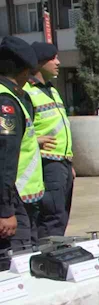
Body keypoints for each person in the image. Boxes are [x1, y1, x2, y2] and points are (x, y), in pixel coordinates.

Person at [24, 42, 74, 238]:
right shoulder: (28, 92)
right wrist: (35, 139)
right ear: (40, 62)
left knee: (61, 214)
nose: (58, 62)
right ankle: (48, 258)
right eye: (53, 58)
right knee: (52, 216)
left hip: (62, 162)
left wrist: (69, 162)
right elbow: (21, 129)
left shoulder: (52, 90)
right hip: (46, 163)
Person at [0, 37, 41, 250]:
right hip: (14, 200)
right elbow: (5, 158)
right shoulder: (7, 102)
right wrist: (5, 210)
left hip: (17, 196)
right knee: (17, 265)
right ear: (24, 71)